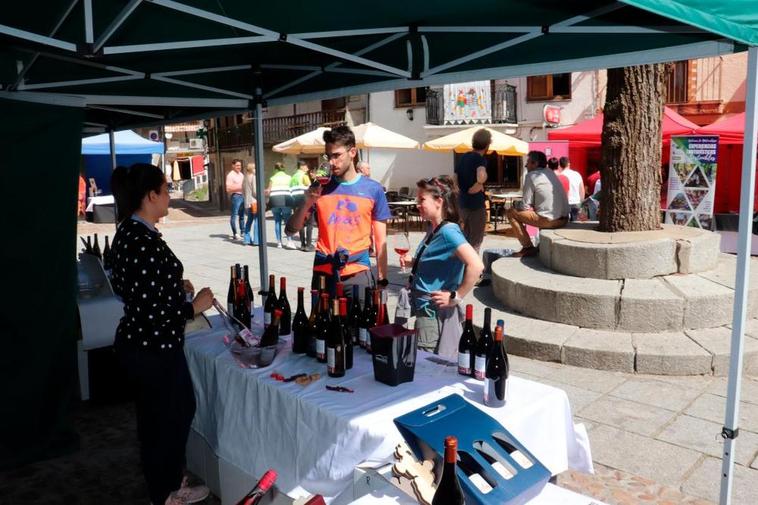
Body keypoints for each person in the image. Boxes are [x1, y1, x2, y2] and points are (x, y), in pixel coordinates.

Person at [110, 163, 214, 505]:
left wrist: (174, 286)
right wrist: (194, 306)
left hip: (143, 346)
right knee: (168, 419)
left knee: (160, 418)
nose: (170, 196)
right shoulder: (141, 240)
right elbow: (153, 313)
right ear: (151, 195)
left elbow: (141, 290)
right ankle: (167, 492)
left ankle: (166, 483)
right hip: (153, 347)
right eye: (166, 190)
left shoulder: (132, 231)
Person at [286, 125, 391, 297]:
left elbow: (381, 241)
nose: (332, 162)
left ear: (352, 152)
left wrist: (382, 278)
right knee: (322, 324)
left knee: (359, 324)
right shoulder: (319, 188)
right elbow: (290, 230)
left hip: (358, 271)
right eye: (328, 156)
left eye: (337, 155)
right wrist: (306, 203)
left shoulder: (374, 189)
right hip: (323, 271)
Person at [397, 176, 483, 353]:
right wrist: (414, 262)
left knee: (425, 368)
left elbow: (476, 265)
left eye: (422, 199)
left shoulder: (448, 232)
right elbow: (440, 260)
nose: (417, 204)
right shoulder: (436, 229)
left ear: (439, 201)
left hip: (432, 316)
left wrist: (456, 296)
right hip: (426, 313)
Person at [505, 151, 569, 257]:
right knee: (540, 211)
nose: (526, 165)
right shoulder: (550, 172)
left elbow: (525, 205)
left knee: (511, 213)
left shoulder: (531, 176)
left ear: (535, 163)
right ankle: (538, 246)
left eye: (528, 162)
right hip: (564, 219)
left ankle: (527, 247)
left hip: (550, 220)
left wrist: (517, 205)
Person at [454, 128, 490, 252]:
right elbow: (481, 175)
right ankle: (473, 270)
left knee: (463, 239)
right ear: (487, 144)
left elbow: (455, 179)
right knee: (475, 241)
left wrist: (463, 191)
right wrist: (479, 185)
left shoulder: (463, 157)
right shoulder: (480, 159)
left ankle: (463, 268)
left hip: (462, 204)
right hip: (476, 206)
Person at [266, 162, 296, 249]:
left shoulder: (272, 178)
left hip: (274, 201)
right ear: (284, 169)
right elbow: (292, 189)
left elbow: (268, 190)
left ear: (275, 169)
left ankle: (279, 242)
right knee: (287, 221)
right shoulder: (289, 177)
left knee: (277, 221)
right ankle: (289, 240)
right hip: (286, 200)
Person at [290, 160, 314, 251]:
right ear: (301, 166)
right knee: (309, 223)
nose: (307, 169)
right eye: (306, 167)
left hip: (296, 202)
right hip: (305, 201)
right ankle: (308, 245)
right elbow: (310, 188)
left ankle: (302, 244)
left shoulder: (293, 177)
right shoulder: (304, 176)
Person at [559, 157, 585, 221]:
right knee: (575, 224)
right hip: (576, 202)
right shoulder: (577, 174)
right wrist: (581, 202)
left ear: (560, 165)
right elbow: (582, 190)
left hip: (564, 203)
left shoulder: (560, 176)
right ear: (569, 164)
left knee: (564, 225)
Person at [225, 159, 245, 240]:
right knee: (234, 216)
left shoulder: (241, 174)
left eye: (240, 165)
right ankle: (235, 233)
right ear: (233, 166)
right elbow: (228, 189)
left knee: (242, 216)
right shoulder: (230, 175)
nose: (239, 167)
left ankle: (243, 232)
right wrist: (241, 187)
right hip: (236, 196)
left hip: (243, 196)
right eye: (237, 165)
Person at [242, 162, 259, 246]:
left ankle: (246, 239)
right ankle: (257, 240)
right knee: (257, 220)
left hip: (247, 202)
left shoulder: (245, 178)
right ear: (252, 169)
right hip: (254, 201)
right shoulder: (254, 177)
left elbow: (243, 191)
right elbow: (255, 191)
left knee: (249, 220)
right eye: (255, 168)